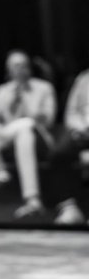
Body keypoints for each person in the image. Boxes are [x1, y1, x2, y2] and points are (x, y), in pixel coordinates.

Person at [0, 50, 56, 219]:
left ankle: (2, 172)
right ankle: (31, 199)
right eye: (16, 66)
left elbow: (47, 120)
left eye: (24, 65)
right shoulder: (2, 91)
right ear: (8, 70)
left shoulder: (44, 88)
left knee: (25, 126)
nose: (21, 69)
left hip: (39, 138)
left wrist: (24, 97)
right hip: (8, 140)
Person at [41, 68, 89, 224]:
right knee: (58, 154)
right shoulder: (83, 78)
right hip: (82, 131)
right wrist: (79, 128)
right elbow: (71, 112)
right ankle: (69, 208)